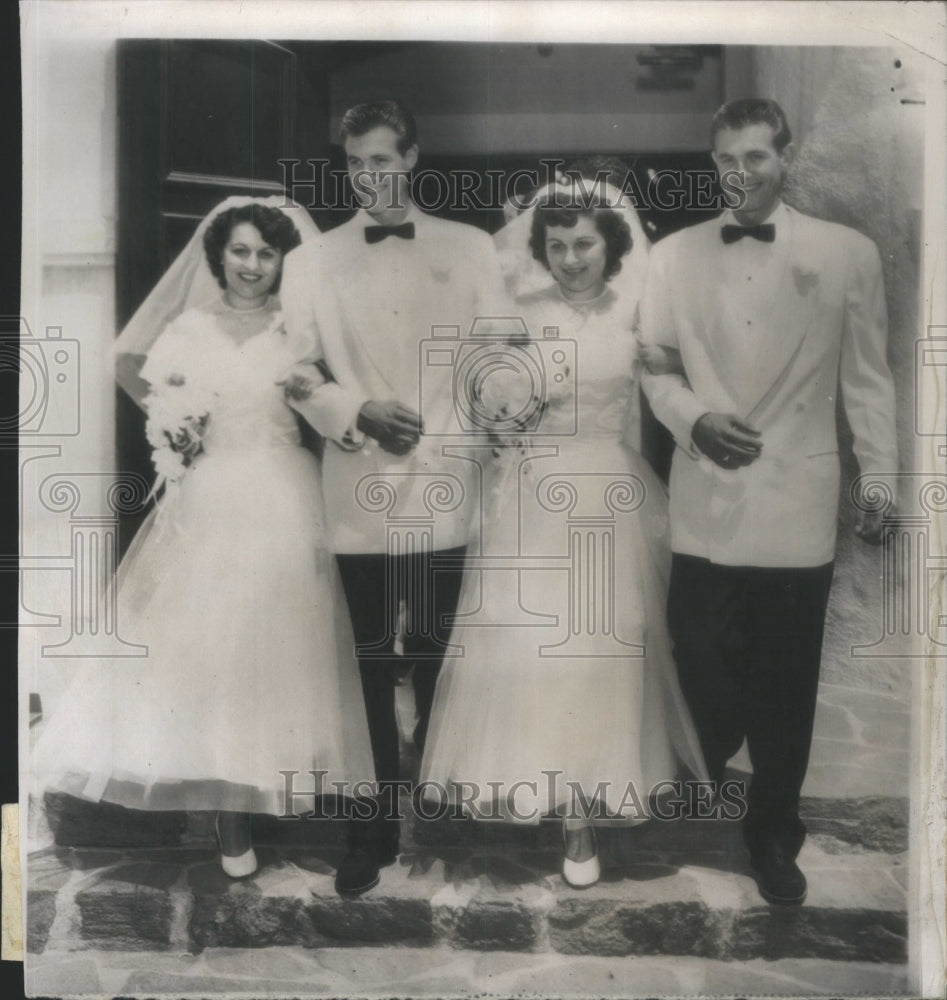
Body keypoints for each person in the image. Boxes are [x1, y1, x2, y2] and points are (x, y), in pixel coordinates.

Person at [32, 197, 375, 878]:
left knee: (275, 647)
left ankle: (266, 784)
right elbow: (133, 368)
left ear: (285, 260)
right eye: (240, 251)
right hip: (212, 495)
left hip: (283, 490)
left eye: (266, 253)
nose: (252, 266)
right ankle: (225, 810)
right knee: (209, 649)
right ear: (218, 254)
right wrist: (174, 427)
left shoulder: (297, 328)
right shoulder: (189, 327)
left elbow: (335, 396)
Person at [640, 99, 897, 905]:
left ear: (785, 158)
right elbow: (655, 368)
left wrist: (880, 478)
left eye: (755, 157)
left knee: (786, 683)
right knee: (701, 658)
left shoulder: (845, 254)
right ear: (710, 162)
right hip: (705, 502)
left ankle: (772, 835)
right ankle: (719, 765)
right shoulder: (672, 255)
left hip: (796, 502)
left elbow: (866, 379)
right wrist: (693, 418)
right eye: (725, 159)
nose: (739, 174)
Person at [419, 181, 706, 889]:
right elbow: (478, 395)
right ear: (539, 249)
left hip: (610, 490)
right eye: (556, 245)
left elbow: (667, 385)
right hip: (530, 494)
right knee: (530, 646)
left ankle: (584, 810)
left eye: (583, 243)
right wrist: (499, 422)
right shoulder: (518, 314)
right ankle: (535, 785)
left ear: (610, 243)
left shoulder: (637, 312)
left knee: (603, 646)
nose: (570, 257)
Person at [280, 100, 509, 896]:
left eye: (383, 160)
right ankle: (369, 827)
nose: (370, 177)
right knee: (369, 664)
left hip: (447, 486)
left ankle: (439, 805)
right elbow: (298, 369)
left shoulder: (471, 247)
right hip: (358, 490)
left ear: (412, 158)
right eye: (356, 163)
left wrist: (476, 433)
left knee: (441, 653)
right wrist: (354, 412)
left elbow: (501, 357)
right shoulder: (311, 260)